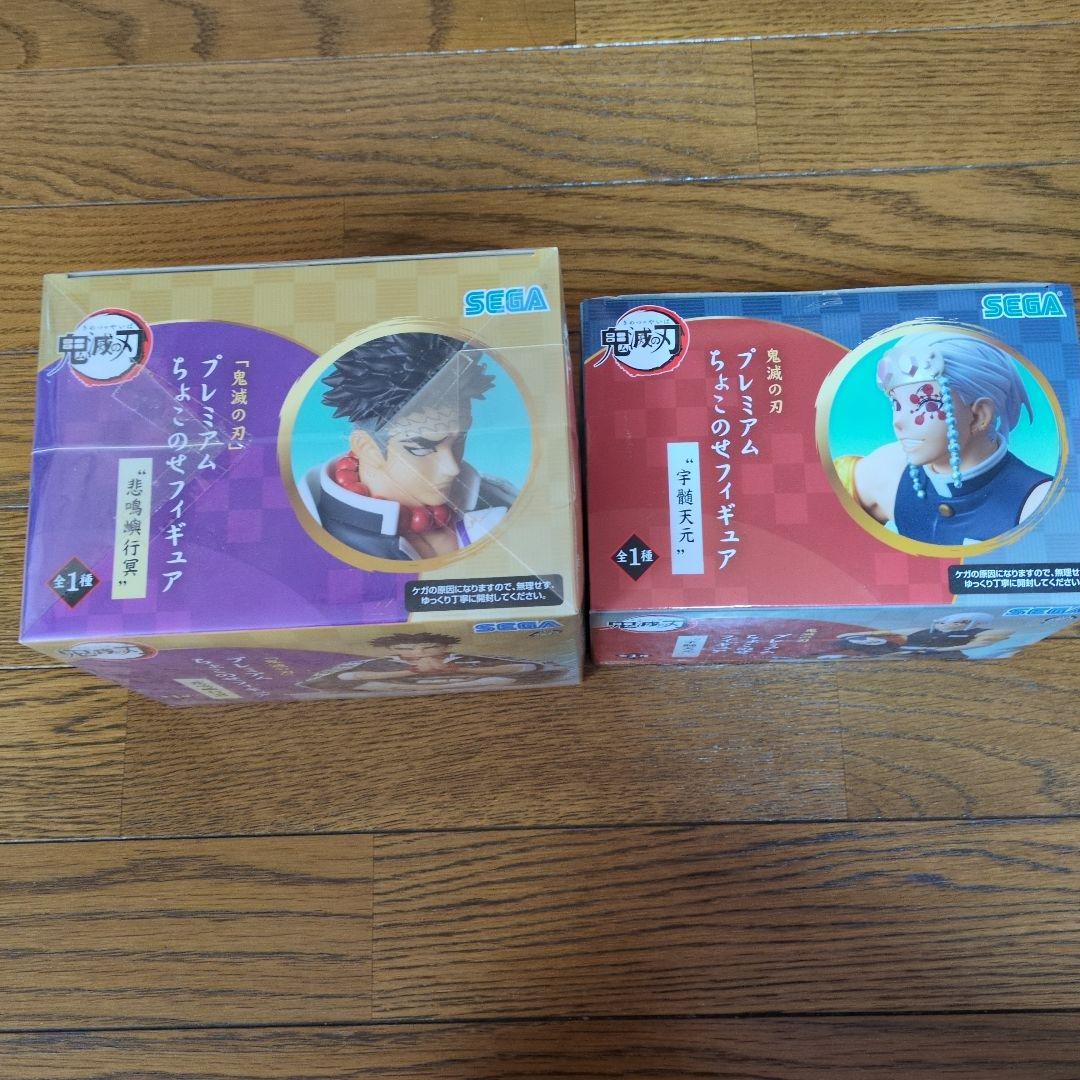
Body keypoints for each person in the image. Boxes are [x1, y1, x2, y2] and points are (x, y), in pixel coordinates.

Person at [299, 332, 518, 560]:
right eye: (421, 448)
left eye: (459, 440)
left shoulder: (501, 499)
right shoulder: (311, 533)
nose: (452, 468)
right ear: (367, 447)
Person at [835, 328, 1054, 544]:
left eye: (925, 404)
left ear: (979, 416)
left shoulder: (1038, 503)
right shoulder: (887, 470)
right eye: (897, 404)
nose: (898, 421)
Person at [301, 632, 557, 695]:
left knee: (500, 679)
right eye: (407, 649)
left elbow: (529, 668)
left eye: (428, 647)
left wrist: (456, 669)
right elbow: (343, 678)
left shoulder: (463, 659)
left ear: (446, 648)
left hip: (471, 683)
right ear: (392, 650)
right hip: (397, 687)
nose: (418, 652)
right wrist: (409, 671)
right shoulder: (382, 663)